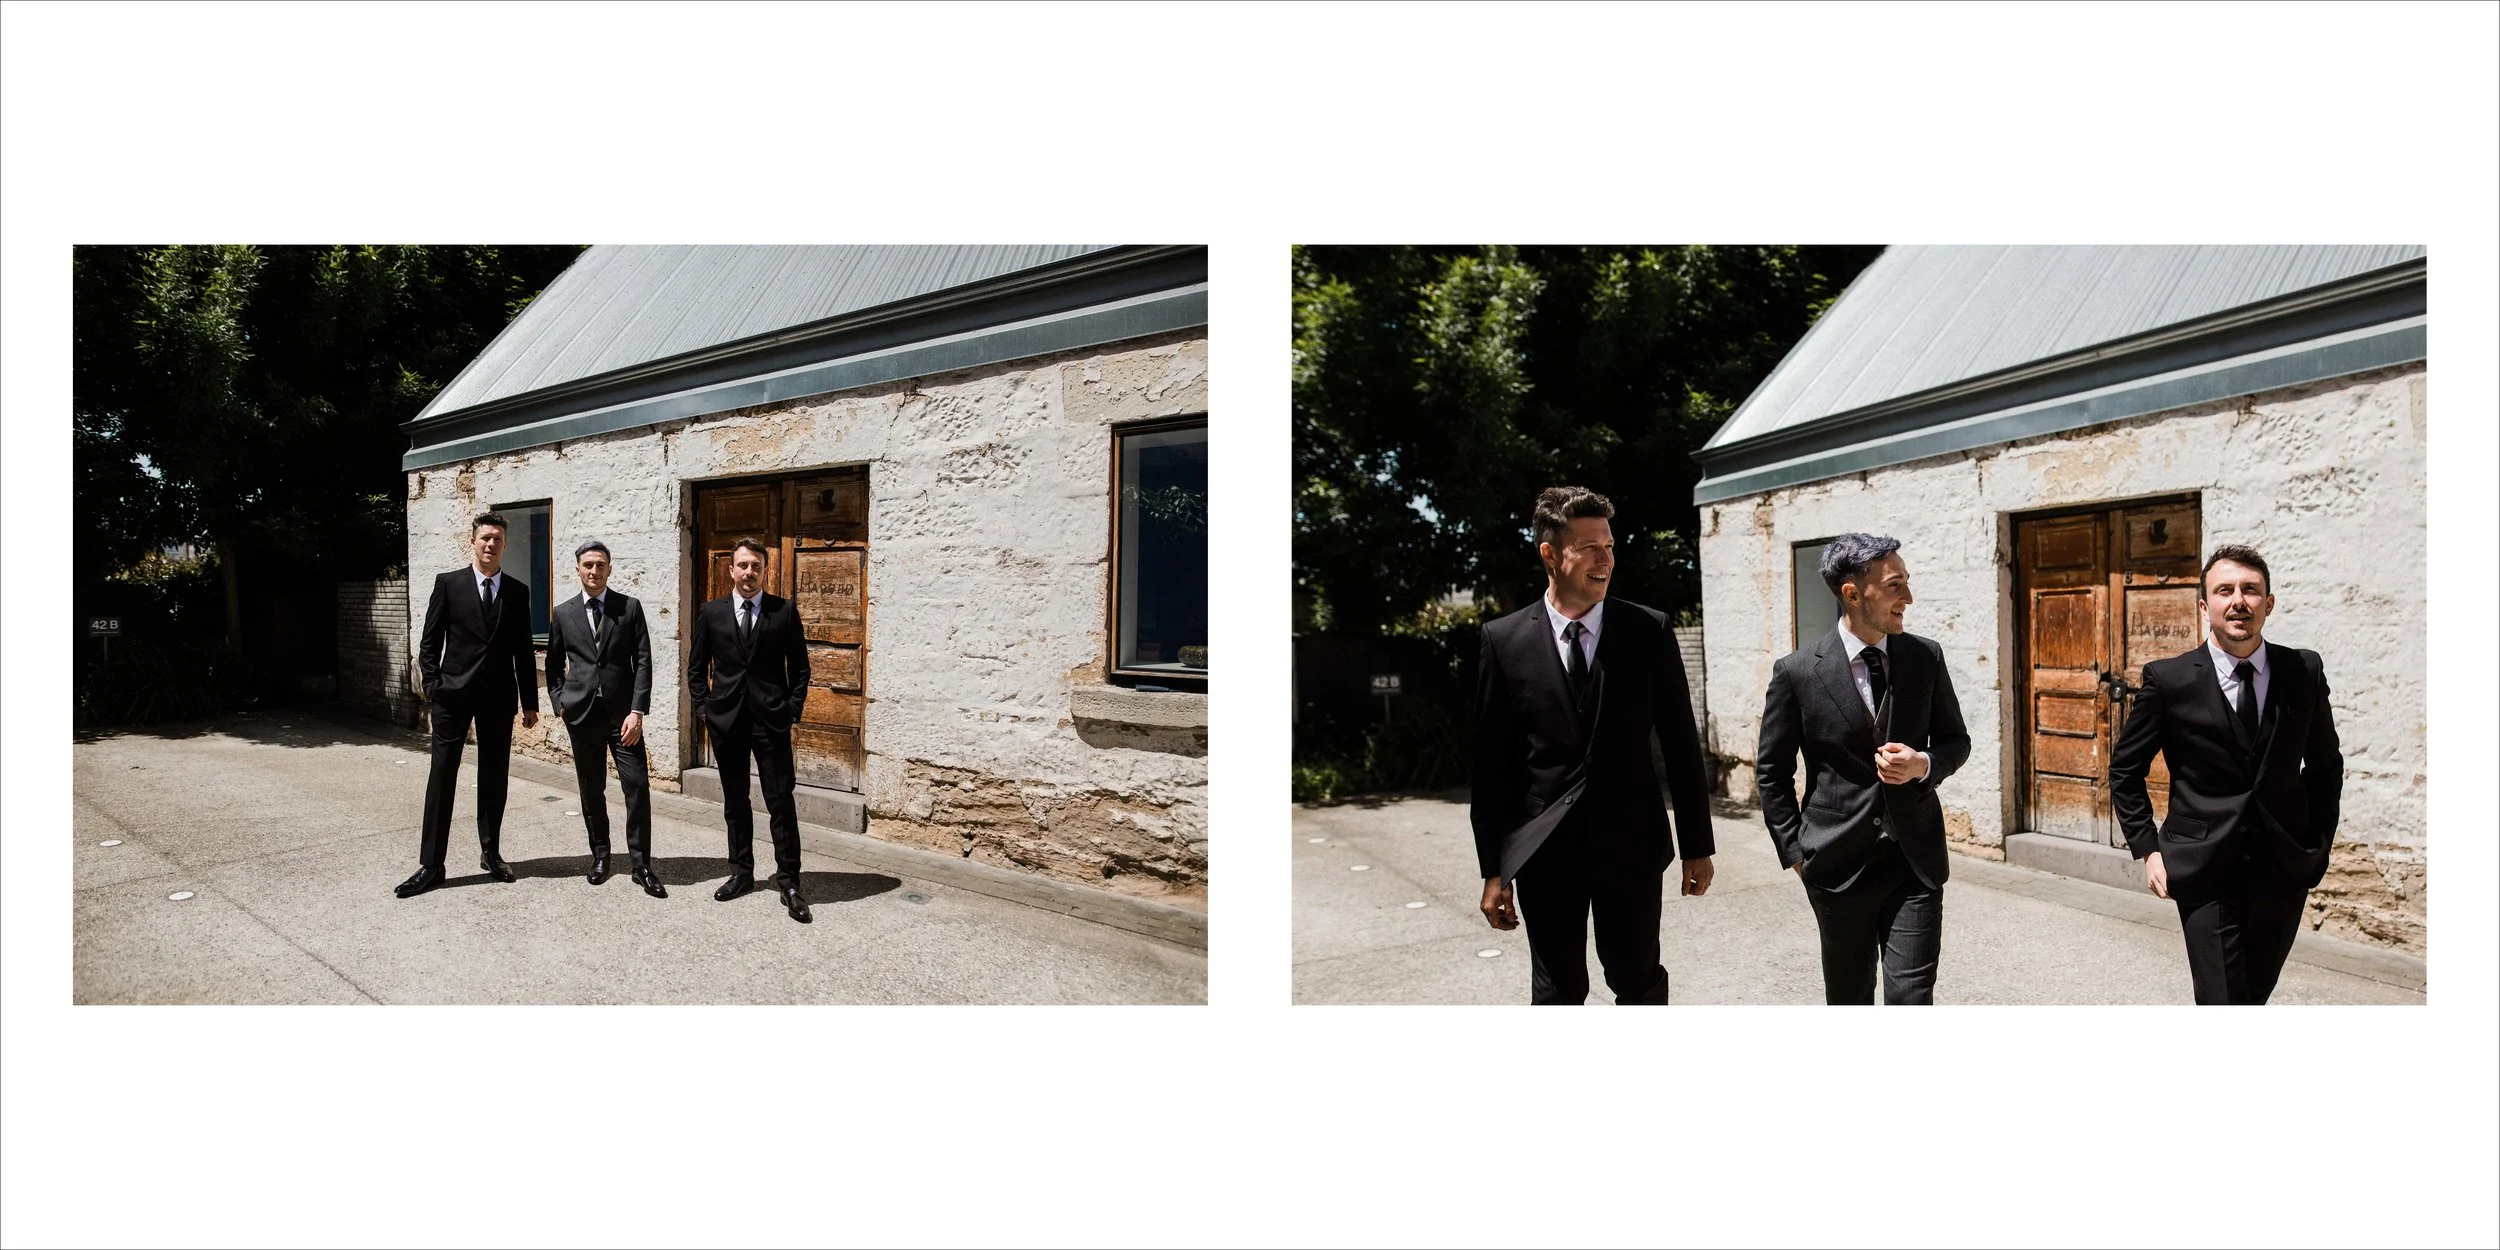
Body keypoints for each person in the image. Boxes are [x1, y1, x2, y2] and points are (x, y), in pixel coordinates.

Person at [1469, 486, 1715, 1005]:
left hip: (1632, 845)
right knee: (1556, 992)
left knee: (1638, 983)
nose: (1606, 560)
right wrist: (1495, 869)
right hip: (1544, 853)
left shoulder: (1649, 630)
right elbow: (1492, 767)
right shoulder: (1503, 640)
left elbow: (1680, 744)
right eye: (1589, 548)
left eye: (1609, 546)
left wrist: (1697, 845)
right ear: (1550, 554)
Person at [2110, 544, 2342, 1005]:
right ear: (2204, 606)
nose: (2239, 601)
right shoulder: (2169, 680)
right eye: (2224, 590)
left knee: (2254, 997)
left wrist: (2317, 844)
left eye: (2250, 590)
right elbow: (2125, 770)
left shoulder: (2303, 670)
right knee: (2221, 1000)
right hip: (2203, 868)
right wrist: (2148, 850)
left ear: (2268, 603)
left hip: (2283, 869)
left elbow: (2325, 765)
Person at [1755, 533, 1970, 1004]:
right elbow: (1771, 770)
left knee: (1912, 999)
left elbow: (1957, 741)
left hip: (1914, 861)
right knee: (1849, 998)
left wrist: (1922, 764)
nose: (1908, 597)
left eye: (1906, 582)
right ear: (1852, 593)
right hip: (1836, 864)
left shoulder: (1926, 656)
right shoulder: (1797, 672)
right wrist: (1796, 851)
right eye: (1895, 586)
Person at [398, 511, 540, 898]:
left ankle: (491, 853)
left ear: (504, 545)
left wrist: (530, 701)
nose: (491, 544)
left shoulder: (517, 592)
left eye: (497, 539)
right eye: (485, 538)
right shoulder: (449, 584)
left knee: (495, 776)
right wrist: (433, 686)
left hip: (499, 698)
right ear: (472, 542)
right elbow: (429, 643)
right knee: (442, 776)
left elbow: (524, 649)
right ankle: (431, 865)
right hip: (452, 696)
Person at [687, 538, 814, 924]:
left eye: (756, 566)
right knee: (735, 801)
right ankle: (741, 872)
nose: (749, 572)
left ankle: (789, 882)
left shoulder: (783, 611)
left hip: (771, 721)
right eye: (742, 565)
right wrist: (704, 710)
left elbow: (801, 669)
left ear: (764, 570)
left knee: (780, 801)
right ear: (731, 570)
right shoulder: (712, 612)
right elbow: (696, 669)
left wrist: (791, 711)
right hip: (727, 722)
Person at [544, 540, 664, 899]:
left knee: (637, 786)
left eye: (600, 565)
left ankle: (641, 865)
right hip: (581, 716)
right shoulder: (563, 613)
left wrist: (637, 711)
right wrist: (560, 703)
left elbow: (643, 661)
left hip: (623, 717)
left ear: (610, 569)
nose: (594, 571)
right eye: (588, 565)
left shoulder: (629, 608)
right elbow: (553, 665)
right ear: (578, 569)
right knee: (591, 788)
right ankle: (600, 856)